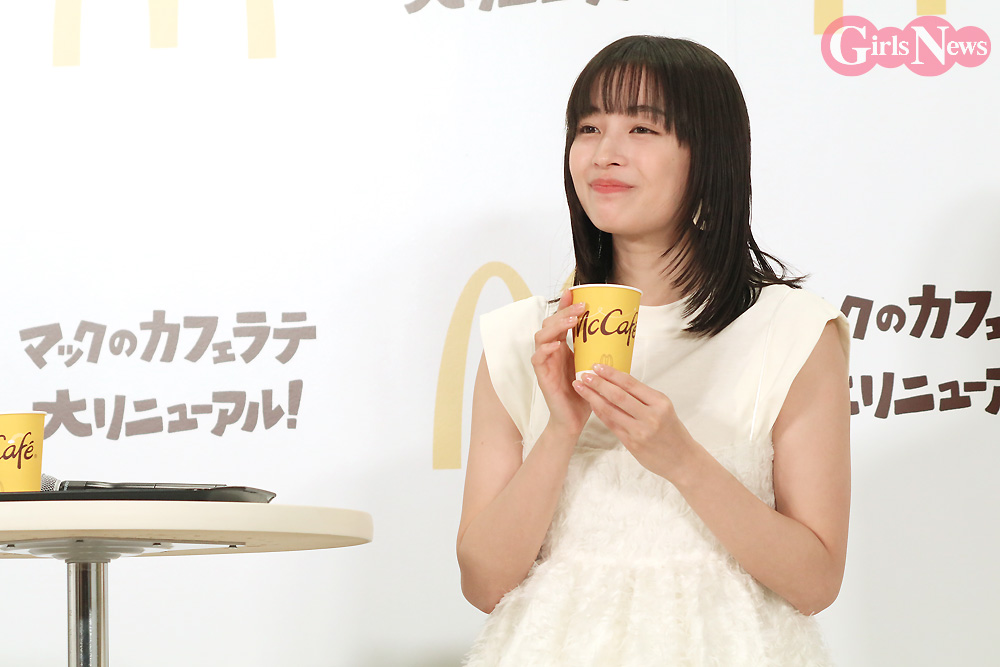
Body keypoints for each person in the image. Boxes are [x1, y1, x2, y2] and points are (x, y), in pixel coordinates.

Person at [457, 35, 850, 666]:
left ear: (710, 155)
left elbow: (815, 582)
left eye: (642, 128)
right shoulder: (522, 339)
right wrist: (560, 431)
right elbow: (483, 585)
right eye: (588, 128)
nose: (605, 153)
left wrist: (683, 460)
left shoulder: (793, 331)